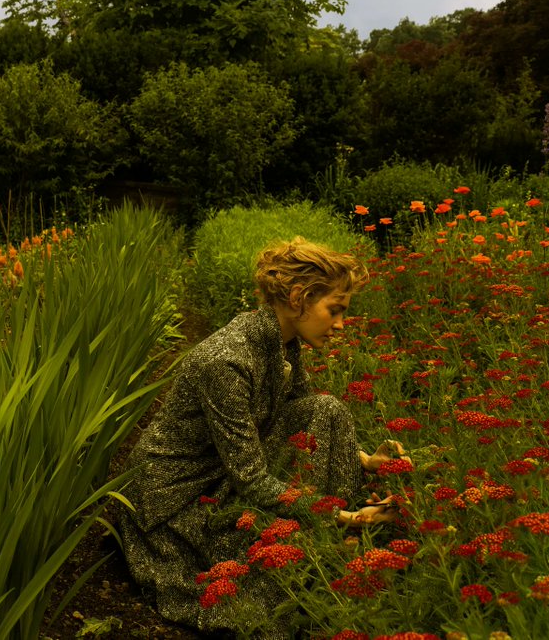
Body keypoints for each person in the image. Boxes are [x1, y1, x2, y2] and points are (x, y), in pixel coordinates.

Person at [118, 237, 408, 637]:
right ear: (297, 298)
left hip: (223, 471)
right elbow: (250, 479)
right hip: (177, 500)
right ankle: (342, 532)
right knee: (263, 590)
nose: (341, 324)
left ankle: (335, 545)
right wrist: (343, 516)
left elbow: (303, 410)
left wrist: (365, 459)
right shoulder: (227, 362)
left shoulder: (280, 340)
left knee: (327, 409)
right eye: (335, 310)